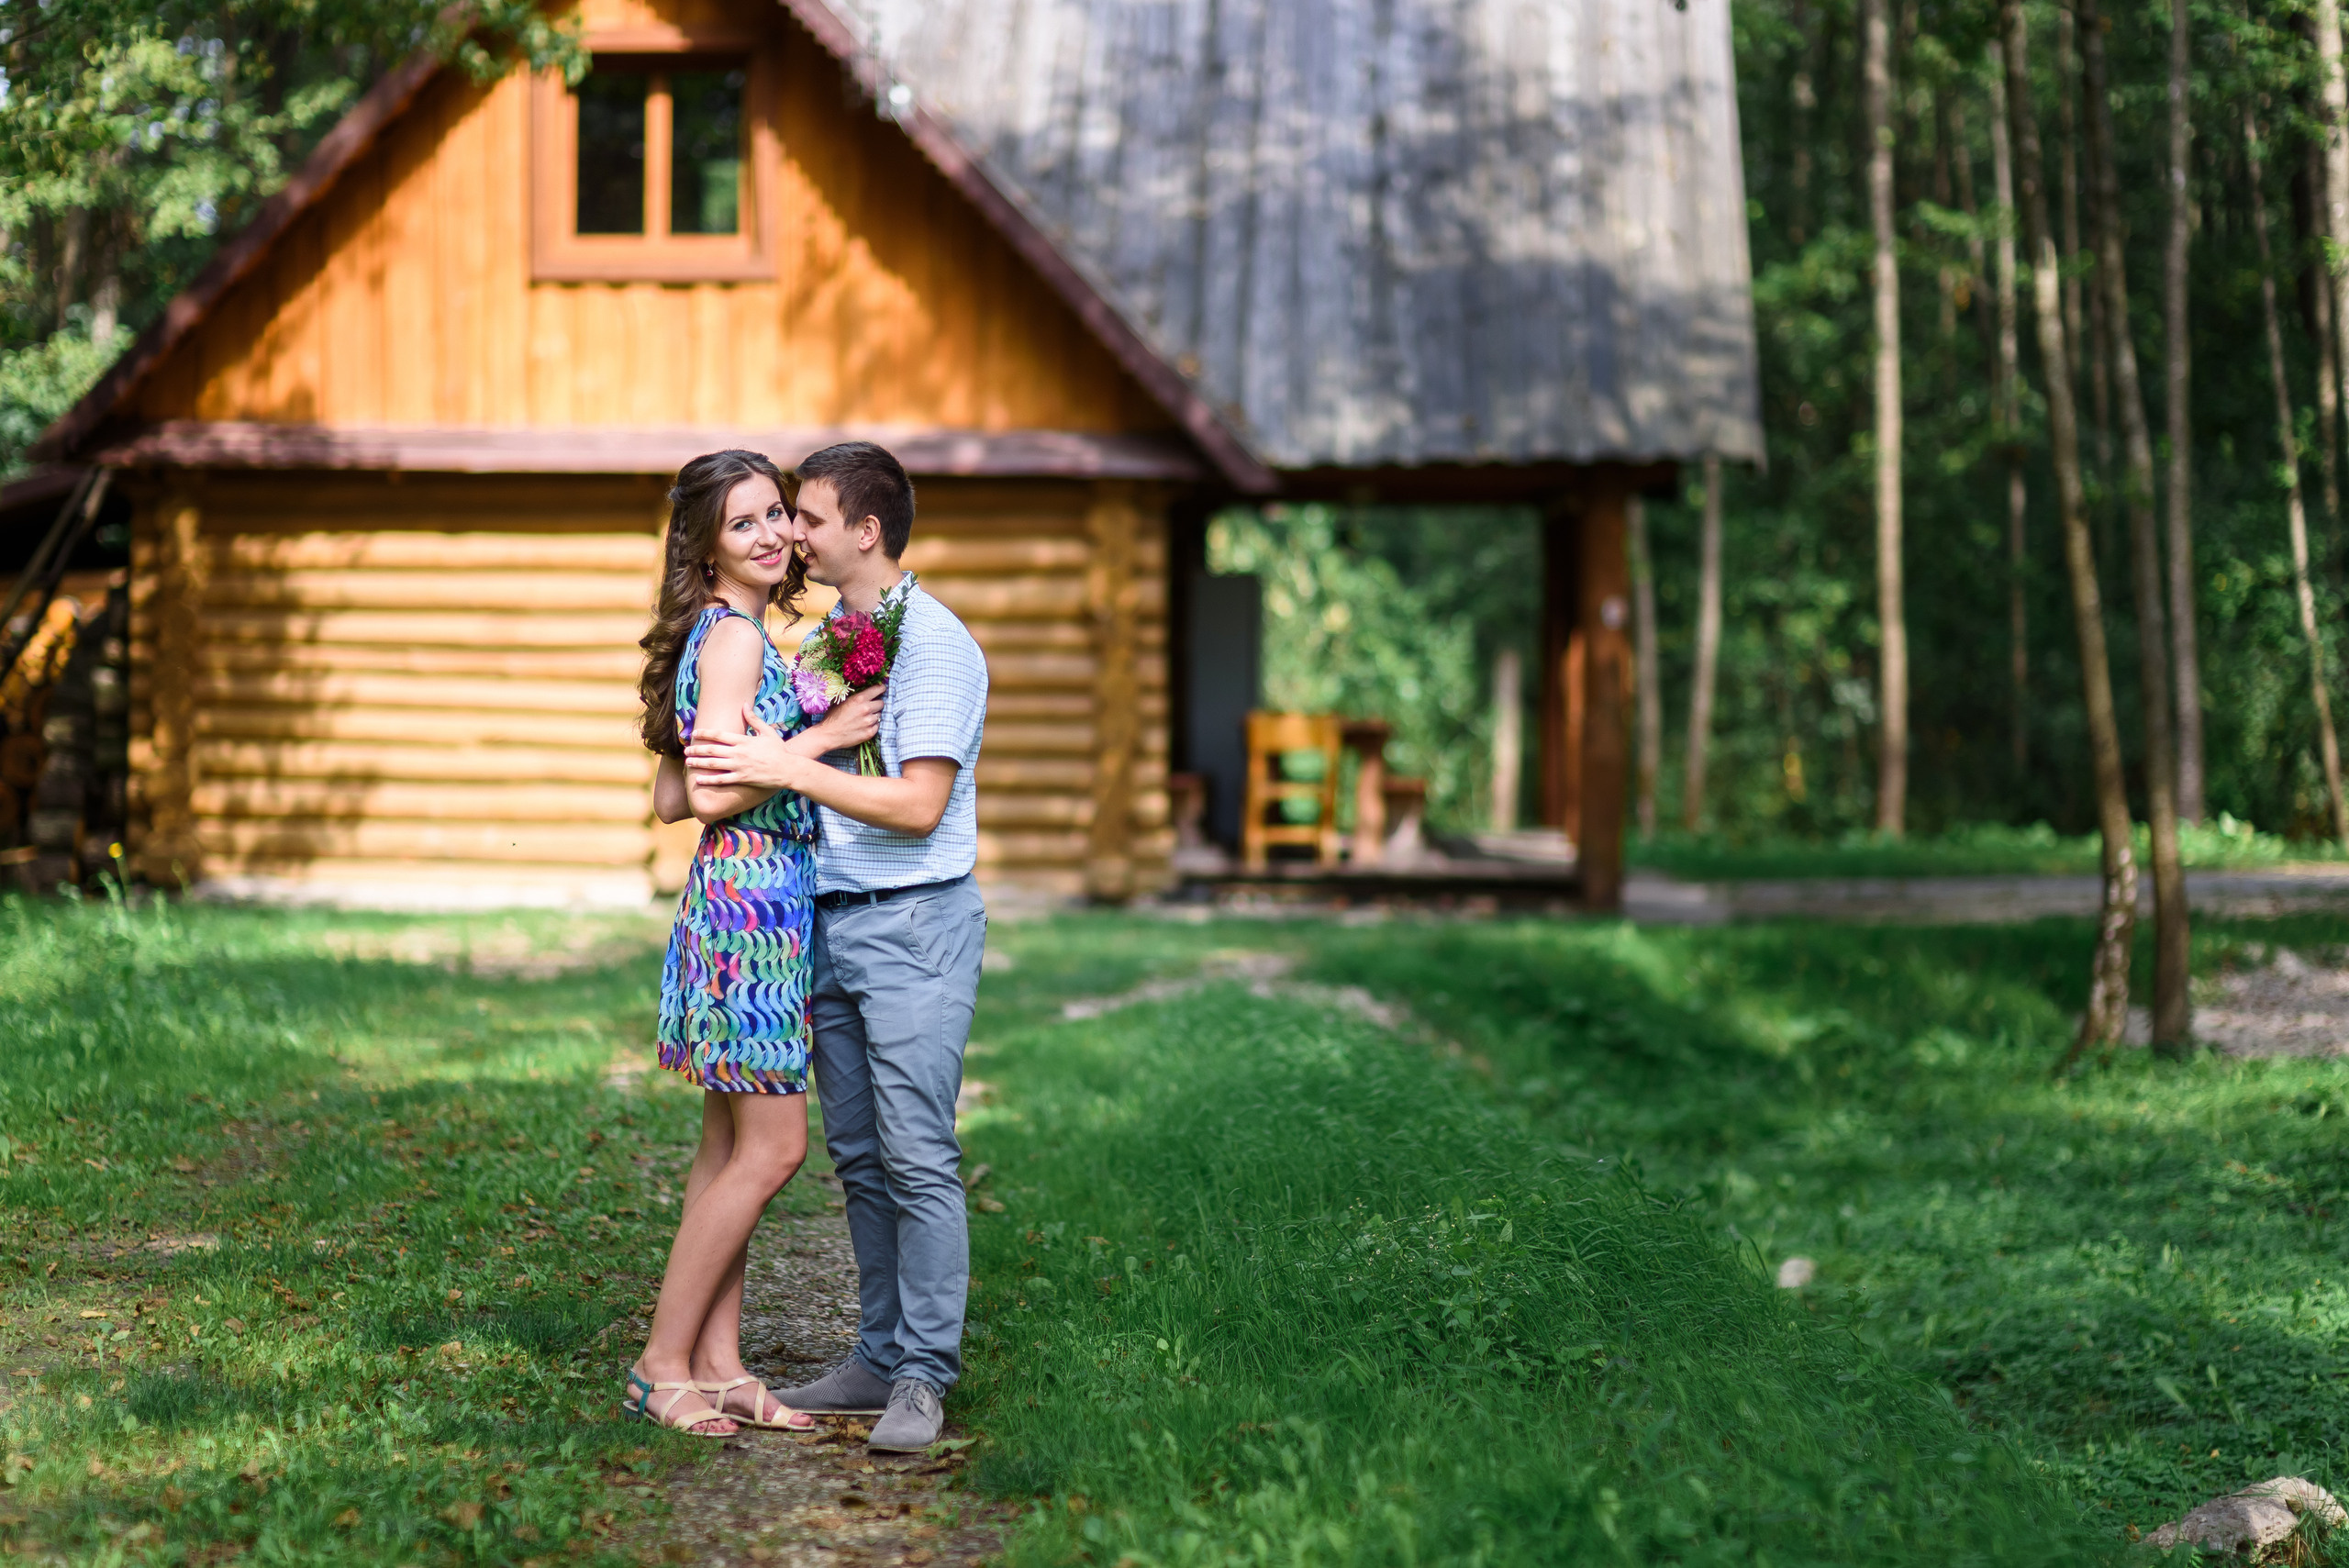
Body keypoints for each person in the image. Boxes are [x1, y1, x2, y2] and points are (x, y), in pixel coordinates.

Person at [684, 440, 988, 1452]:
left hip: (912, 922)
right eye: (773, 518)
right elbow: (722, 762)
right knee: (858, 1155)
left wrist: (787, 763)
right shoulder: (833, 639)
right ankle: (874, 1348)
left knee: (916, 1151)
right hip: (825, 920)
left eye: (805, 518)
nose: (789, 536)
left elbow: (917, 803)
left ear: (864, 531)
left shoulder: (935, 646)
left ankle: (922, 1374)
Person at [625, 450, 885, 1437]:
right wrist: (817, 740)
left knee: (728, 1147)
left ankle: (719, 1362)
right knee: (775, 1148)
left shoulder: (724, 636)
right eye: (746, 523)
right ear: (706, 545)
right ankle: (660, 1364)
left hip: (741, 902)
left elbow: (664, 792)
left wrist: (773, 737)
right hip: (752, 914)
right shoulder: (733, 640)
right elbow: (702, 793)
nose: (775, 533)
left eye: (778, 513)